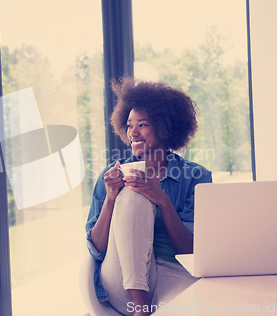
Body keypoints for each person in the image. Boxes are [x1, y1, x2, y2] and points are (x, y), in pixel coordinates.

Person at [85, 78, 212, 316]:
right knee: (134, 192)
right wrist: (112, 198)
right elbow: (97, 249)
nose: (133, 132)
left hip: (174, 272)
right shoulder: (112, 175)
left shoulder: (195, 177)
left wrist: (162, 200)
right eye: (129, 125)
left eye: (142, 125)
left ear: (165, 127)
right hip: (121, 279)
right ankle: (139, 306)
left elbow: (192, 251)